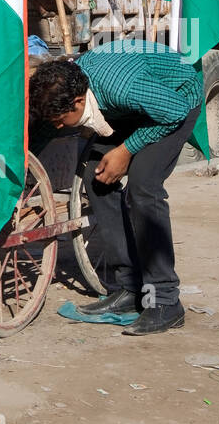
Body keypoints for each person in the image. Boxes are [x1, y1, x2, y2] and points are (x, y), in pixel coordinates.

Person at [29, 41, 204, 336]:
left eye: (61, 121)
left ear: (78, 103)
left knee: (143, 187)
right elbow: (48, 127)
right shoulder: (70, 87)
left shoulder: (121, 87)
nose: (59, 128)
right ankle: (130, 289)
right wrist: (23, 160)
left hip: (176, 100)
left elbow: (174, 111)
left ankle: (164, 301)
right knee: (96, 180)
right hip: (133, 108)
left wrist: (126, 150)